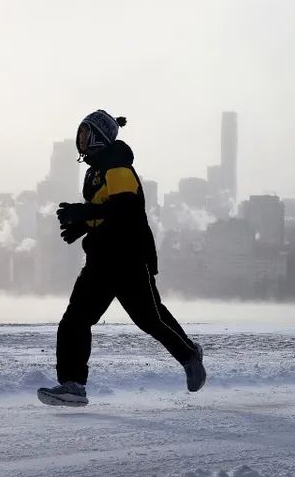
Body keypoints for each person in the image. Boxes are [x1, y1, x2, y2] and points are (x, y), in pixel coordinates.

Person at [37, 110, 205, 407]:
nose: (81, 140)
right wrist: (82, 226)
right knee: (75, 319)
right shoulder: (97, 170)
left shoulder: (118, 168)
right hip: (101, 258)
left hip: (127, 258)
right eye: (80, 134)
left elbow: (125, 210)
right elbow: (106, 211)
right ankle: (73, 385)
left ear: (99, 137)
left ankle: (189, 356)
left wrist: (84, 213)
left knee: (150, 320)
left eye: (85, 134)